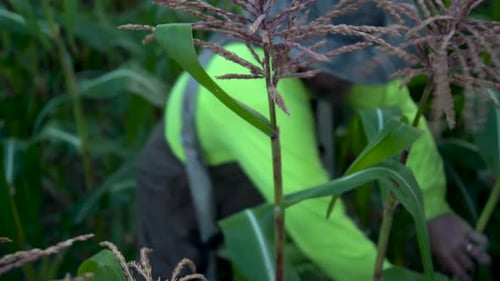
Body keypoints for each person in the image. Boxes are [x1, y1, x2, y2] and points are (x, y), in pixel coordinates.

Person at [136, 1, 491, 280]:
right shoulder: (255, 88)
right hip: (186, 180)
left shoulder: (339, 62)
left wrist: (433, 211)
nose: (347, 79)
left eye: (354, 61)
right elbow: (309, 218)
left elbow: (399, 117)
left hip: (283, 168)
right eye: (338, 66)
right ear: (293, 41)